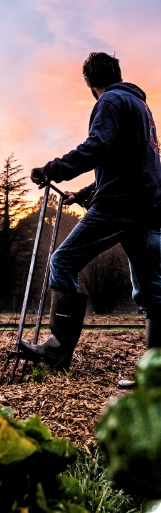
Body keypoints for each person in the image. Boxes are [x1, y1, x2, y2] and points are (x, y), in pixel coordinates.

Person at [21, 52, 161, 387]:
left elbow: (98, 146)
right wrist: (82, 195)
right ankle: (157, 376)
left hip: (119, 204)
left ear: (89, 82)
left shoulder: (109, 102)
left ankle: (57, 350)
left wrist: (52, 170)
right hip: (149, 205)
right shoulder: (140, 107)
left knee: (63, 261)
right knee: (152, 290)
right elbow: (126, 163)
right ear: (117, 72)